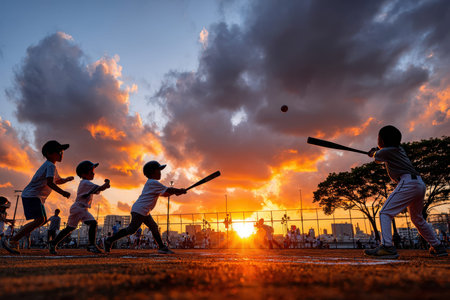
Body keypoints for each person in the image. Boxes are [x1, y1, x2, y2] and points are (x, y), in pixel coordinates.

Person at [364, 126, 447, 258]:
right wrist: (375, 152)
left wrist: (373, 152)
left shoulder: (388, 151)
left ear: (383, 141)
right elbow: (379, 156)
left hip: (408, 182)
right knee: (417, 218)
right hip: (419, 183)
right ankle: (438, 246)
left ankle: (387, 247)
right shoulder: (398, 149)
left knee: (385, 212)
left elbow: (378, 156)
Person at [2, 140, 73, 254]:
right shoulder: (50, 165)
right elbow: (50, 183)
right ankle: (13, 240)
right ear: (49, 153)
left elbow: (57, 180)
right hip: (32, 195)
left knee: (41, 220)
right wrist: (63, 193)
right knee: (40, 220)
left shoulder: (51, 166)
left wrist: (66, 179)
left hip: (34, 196)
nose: (61, 154)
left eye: (62, 151)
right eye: (59, 151)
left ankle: (14, 239)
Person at [103, 161, 186, 254]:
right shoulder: (153, 182)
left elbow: (166, 193)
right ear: (152, 172)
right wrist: (179, 190)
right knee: (131, 229)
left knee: (153, 227)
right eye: (158, 170)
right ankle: (109, 240)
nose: (160, 172)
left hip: (143, 210)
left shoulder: (153, 184)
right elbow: (168, 190)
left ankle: (161, 247)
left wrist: (176, 192)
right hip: (140, 210)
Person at [49, 161, 110, 255]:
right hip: (79, 208)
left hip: (79, 208)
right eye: (91, 171)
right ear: (84, 174)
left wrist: (105, 186)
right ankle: (91, 245)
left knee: (69, 228)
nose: (93, 173)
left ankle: (53, 243)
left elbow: (100, 189)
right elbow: (101, 188)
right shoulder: (85, 183)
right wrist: (107, 183)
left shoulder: (86, 183)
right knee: (93, 223)